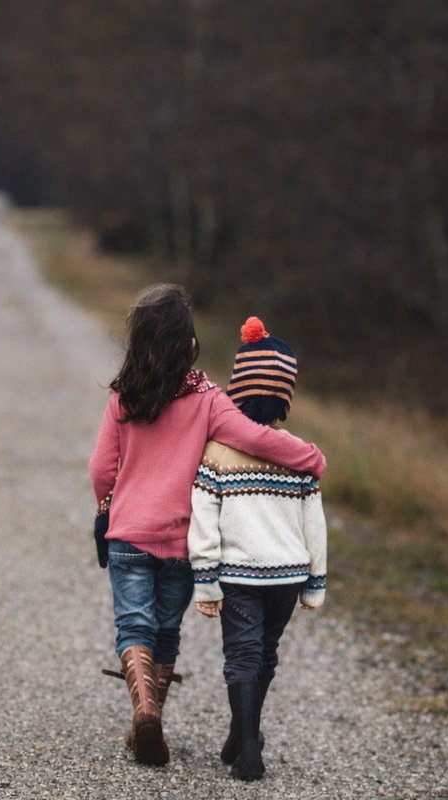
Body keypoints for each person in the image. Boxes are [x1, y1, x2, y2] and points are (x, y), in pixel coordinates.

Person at [88, 286, 326, 768]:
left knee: (133, 625)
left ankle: (145, 712)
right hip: (181, 542)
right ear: (190, 344)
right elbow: (255, 438)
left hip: (129, 535)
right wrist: (310, 457)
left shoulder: (123, 398)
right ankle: (152, 716)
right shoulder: (208, 399)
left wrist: (109, 506)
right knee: (166, 631)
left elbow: (100, 469)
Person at [188, 316, 328, 782]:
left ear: (237, 391)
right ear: (285, 398)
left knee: (242, 657)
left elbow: (204, 519)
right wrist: (315, 582)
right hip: (287, 576)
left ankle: (247, 745)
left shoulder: (217, 453)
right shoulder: (298, 456)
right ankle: (243, 735)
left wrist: (205, 580)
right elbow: (314, 523)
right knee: (265, 654)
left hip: (239, 576)